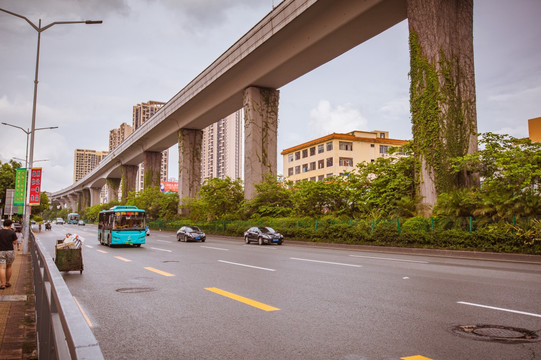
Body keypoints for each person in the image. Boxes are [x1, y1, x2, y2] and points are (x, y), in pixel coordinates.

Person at [0, 219, 18, 289]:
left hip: (1, 251)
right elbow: (14, 242)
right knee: (9, 266)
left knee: (2, 268)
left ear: (3, 224)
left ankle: (2, 284)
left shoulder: (0, 232)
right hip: (10, 251)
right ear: (10, 225)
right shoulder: (12, 232)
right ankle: (7, 282)